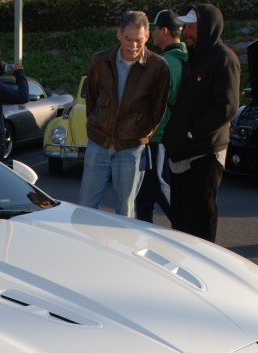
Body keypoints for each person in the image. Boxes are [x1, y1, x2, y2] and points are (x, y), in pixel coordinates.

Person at [78, 10, 169, 219]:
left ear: (147, 37)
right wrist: (98, 126)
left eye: (139, 40)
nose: (133, 45)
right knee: (85, 206)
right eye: (128, 38)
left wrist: (140, 134)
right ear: (119, 34)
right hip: (98, 143)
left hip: (131, 149)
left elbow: (158, 110)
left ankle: (123, 251)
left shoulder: (158, 67)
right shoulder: (99, 61)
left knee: (125, 211)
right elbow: (92, 99)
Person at [163, 4, 239, 242]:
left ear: (208, 27)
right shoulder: (193, 58)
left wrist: (193, 134)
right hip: (182, 153)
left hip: (205, 152)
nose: (187, 32)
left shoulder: (224, 58)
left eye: (192, 27)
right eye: (186, 27)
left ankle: (204, 271)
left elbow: (227, 107)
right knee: (181, 220)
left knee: (201, 219)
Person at [135, 9, 188, 223]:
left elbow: (152, 101)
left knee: (157, 183)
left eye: (154, 29)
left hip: (157, 135)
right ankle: (143, 231)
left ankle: (184, 225)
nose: (151, 34)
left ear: (164, 30)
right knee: (145, 193)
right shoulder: (188, 58)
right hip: (176, 133)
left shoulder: (163, 63)